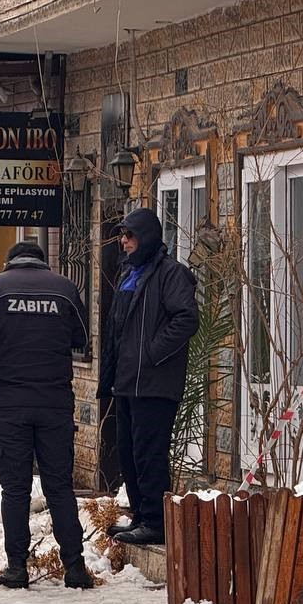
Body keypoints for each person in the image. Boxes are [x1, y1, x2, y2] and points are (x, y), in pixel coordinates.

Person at [0, 241, 94, 590]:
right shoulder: (65, 289)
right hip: (54, 403)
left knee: (16, 488)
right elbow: (81, 337)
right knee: (60, 488)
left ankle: (17, 567)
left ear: (10, 262)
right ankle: (75, 568)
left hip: (9, 405)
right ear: (42, 262)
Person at [98, 207, 198, 546]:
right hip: (128, 381)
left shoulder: (171, 275)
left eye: (130, 236)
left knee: (148, 451)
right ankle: (140, 514)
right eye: (122, 236)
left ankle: (156, 521)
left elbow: (186, 319)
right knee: (127, 451)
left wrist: (152, 353)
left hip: (154, 383)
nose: (124, 242)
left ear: (147, 238)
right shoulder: (130, 273)